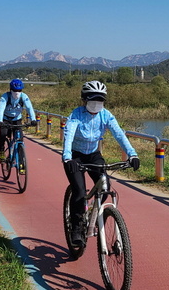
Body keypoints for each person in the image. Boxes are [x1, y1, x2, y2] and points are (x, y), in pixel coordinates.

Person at [62, 80, 140, 247]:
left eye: (100, 100)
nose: (96, 103)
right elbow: (68, 136)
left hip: (93, 155)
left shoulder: (106, 115)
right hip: (75, 157)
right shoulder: (76, 114)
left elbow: (119, 134)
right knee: (79, 191)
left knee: (105, 187)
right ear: (85, 100)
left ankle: (91, 212)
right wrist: (67, 157)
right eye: (92, 99)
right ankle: (76, 227)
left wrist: (132, 154)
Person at [0, 79, 37, 161]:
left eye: (19, 90)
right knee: (3, 134)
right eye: (15, 90)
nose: (17, 92)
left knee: (20, 138)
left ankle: (21, 160)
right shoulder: (5, 97)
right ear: (11, 90)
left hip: (17, 119)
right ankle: (1, 152)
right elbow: (1, 109)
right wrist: (0, 121)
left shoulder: (24, 97)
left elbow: (29, 108)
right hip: (5, 119)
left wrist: (33, 119)